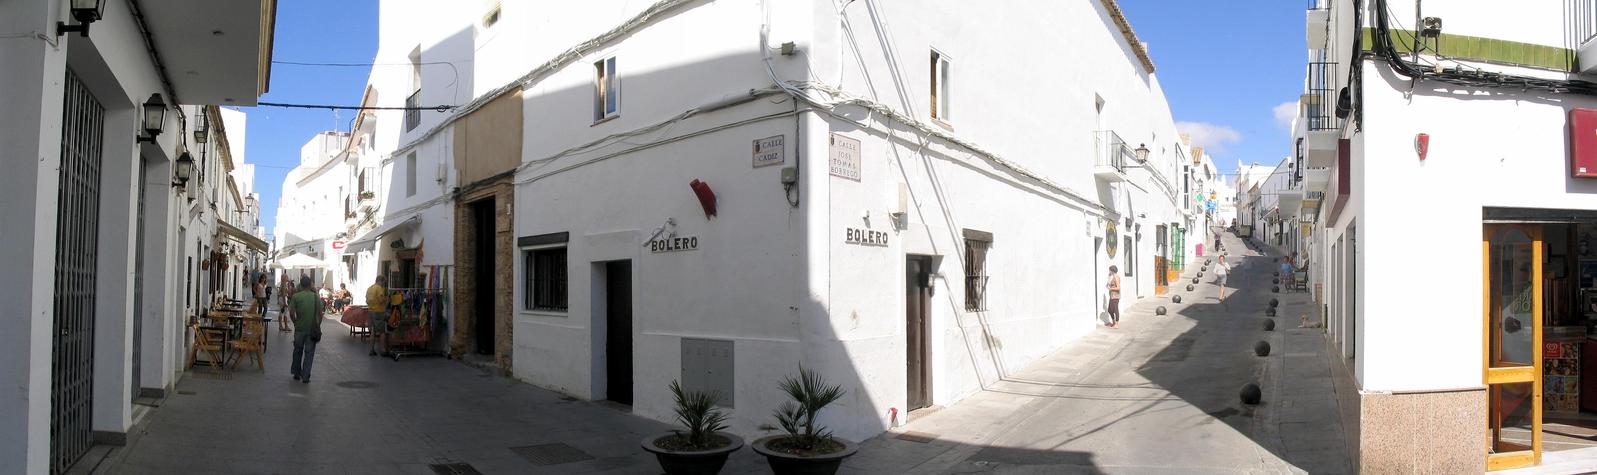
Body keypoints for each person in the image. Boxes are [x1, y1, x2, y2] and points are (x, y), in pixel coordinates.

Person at [289, 276, 323, 383]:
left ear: (301, 285)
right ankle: (305, 375)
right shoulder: (315, 297)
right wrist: (318, 323)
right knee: (309, 353)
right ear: (310, 285)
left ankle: (296, 373)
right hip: (311, 328)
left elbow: (291, 312)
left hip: (299, 328)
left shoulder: (296, 297)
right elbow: (320, 313)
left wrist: (295, 322)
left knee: (297, 350)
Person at [366, 275, 389, 356]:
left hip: (370, 311)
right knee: (382, 332)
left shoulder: (370, 288)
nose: (384, 284)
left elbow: (367, 301)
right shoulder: (379, 288)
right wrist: (387, 299)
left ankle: (371, 350)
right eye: (384, 282)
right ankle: (383, 350)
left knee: (373, 331)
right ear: (381, 281)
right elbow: (381, 300)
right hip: (378, 312)